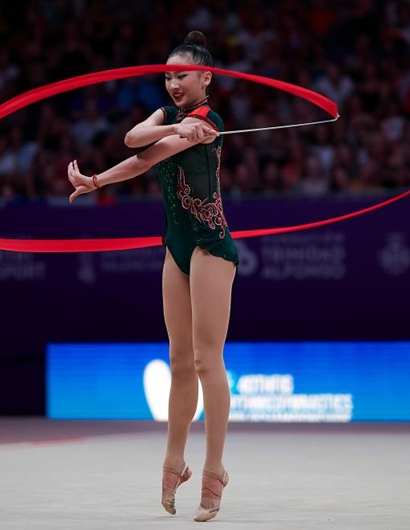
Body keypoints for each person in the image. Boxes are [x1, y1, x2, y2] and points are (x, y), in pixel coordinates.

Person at [66, 30, 237, 522]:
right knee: (179, 361)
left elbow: (149, 155)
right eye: (167, 75)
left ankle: (214, 469)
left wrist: (188, 132)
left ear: (206, 78)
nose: (173, 82)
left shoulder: (211, 118)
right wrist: (95, 180)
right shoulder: (169, 117)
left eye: (182, 74)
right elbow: (135, 145)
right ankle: (173, 461)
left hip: (210, 245)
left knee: (207, 360)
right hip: (175, 248)